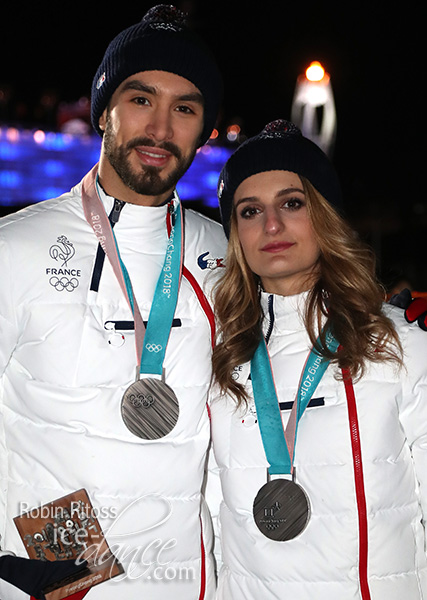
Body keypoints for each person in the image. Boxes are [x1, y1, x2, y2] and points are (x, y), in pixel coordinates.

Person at [0, 5, 226, 600]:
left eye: (185, 108)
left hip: (182, 581)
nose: (160, 127)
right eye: (140, 98)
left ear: (203, 131)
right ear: (103, 110)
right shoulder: (17, 246)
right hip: (55, 579)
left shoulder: (223, 255)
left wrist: (377, 321)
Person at [208, 119, 427, 599]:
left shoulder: (400, 348)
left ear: (324, 215)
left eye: (292, 203)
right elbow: (213, 530)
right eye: (250, 211)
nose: (271, 225)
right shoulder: (218, 362)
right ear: (236, 236)